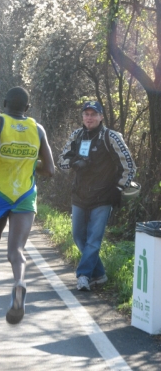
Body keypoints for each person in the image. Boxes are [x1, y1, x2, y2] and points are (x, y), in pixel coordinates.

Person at [0, 86, 55, 327]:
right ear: (27, 108)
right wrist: (30, 166)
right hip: (24, 195)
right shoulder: (37, 129)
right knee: (16, 250)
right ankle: (19, 282)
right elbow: (50, 170)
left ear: (4, 103)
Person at [57, 100, 136, 292]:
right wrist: (75, 162)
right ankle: (99, 274)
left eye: (94, 114)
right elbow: (61, 161)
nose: (89, 117)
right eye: (86, 114)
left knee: (94, 239)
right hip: (80, 195)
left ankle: (83, 275)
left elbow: (130, 166)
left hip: (103, 197)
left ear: (101, 117)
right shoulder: (77, 135)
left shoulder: (112, 137)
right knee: (78, 236)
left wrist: (118, 188)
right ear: (82, 117)